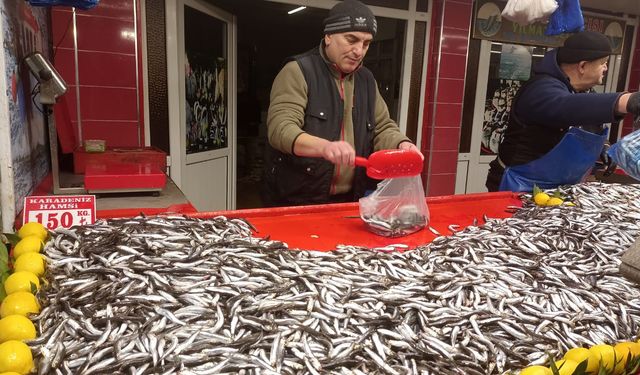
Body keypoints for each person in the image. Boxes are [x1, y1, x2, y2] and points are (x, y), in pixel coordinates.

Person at [263, 0, 421, 207]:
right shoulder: (298, 71)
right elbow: (280, 129)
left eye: (366, 44)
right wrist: (324, 147)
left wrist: (402, 144)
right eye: (351, 40)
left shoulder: (366, 80)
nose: (359, 51)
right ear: (328, 36)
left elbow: (382, 127)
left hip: (351, 199)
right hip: (299, 198)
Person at [486, 31, 640, 192]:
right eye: (603, 63)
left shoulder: (585, 94)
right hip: (518, 184)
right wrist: (626, 101)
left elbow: (588, 123)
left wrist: (604, 147)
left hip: (560, 189)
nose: (606, 68)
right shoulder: (540, 89)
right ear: (582, 66)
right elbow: (563, 107)